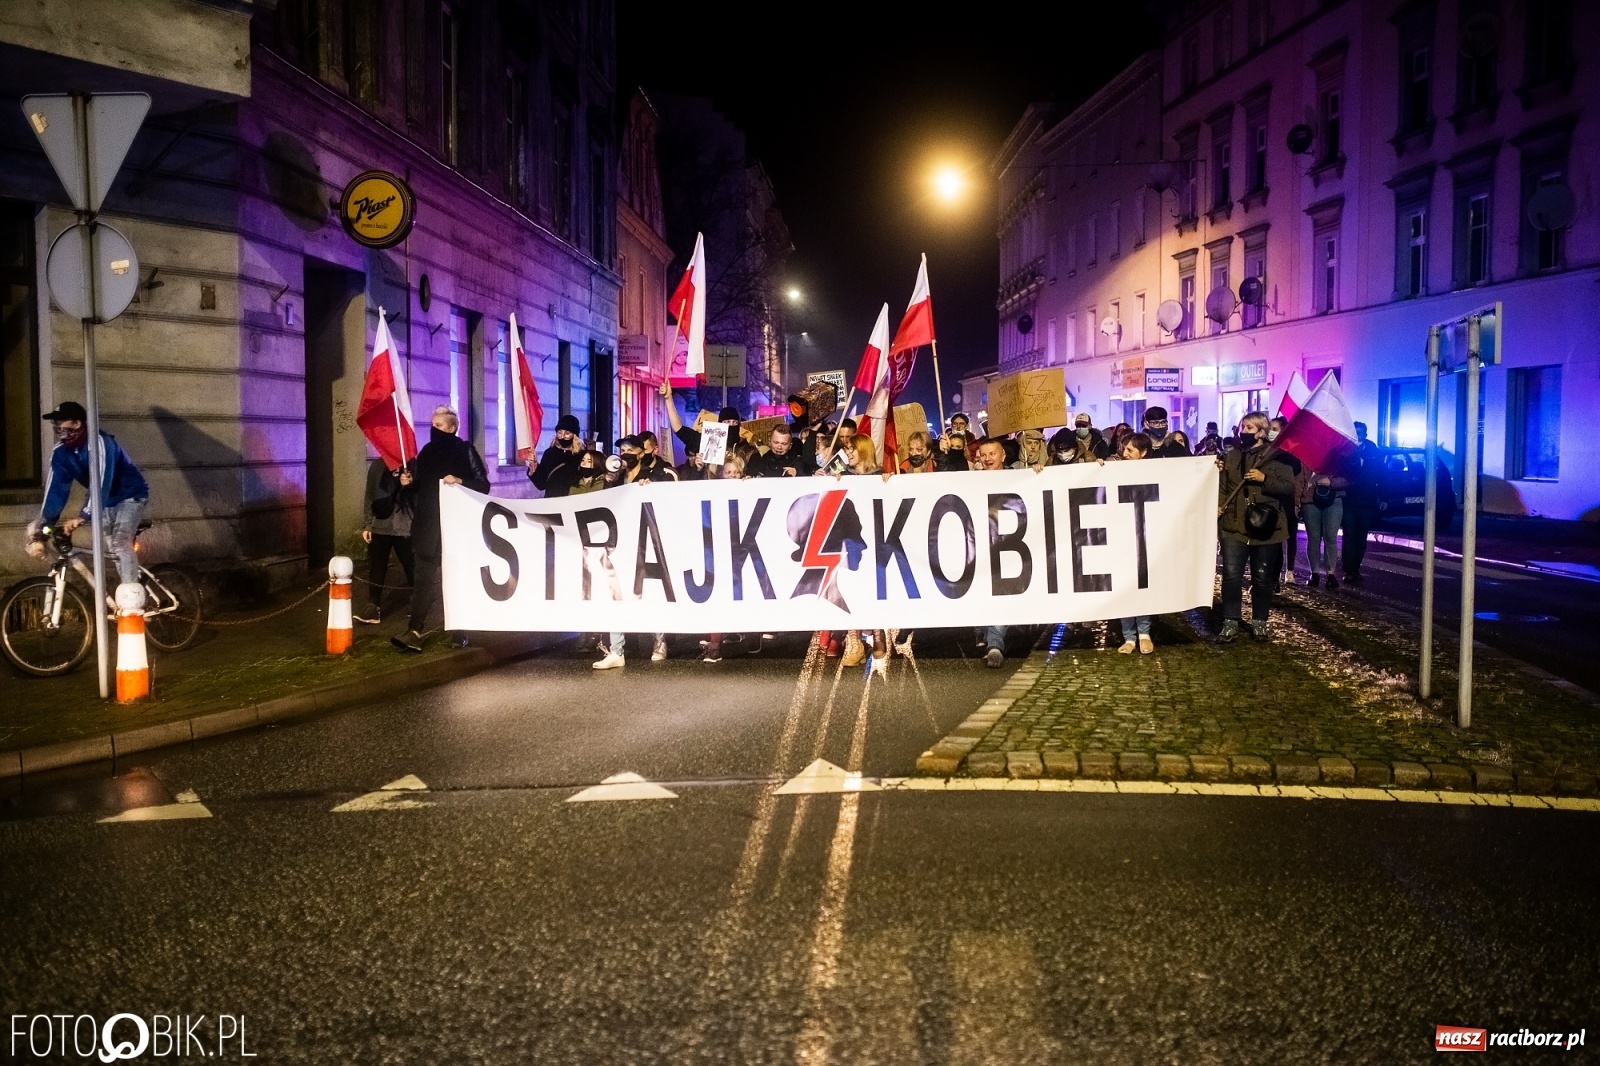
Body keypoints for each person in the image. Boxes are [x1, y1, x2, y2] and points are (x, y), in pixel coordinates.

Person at [392, 407, 490, 653]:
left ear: (451, 428)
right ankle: (414, 630)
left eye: (438, 425)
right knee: (422, 580)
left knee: (456, 577)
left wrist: (461, 481)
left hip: (457, 526)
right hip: (428, 525)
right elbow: (421, 487)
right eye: (432, 424)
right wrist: (407, 484)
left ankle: (460, 630)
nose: (433, 429)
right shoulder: (425, 453)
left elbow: (483, 486)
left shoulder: (465, 450)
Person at [29, 401, 151, 587]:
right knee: (112, 549)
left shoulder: (100, 442)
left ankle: (132, 603)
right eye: (54, 423)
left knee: (119, 543)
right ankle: (133, 585)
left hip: (129, 495)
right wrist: (44, 526)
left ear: (77, 423)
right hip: (103, 500)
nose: (56, 427)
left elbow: (102, 482)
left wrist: (83, 516)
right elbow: (56, 490)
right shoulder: (61, 452)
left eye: (60, 422)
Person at [1216, 411, 1297, 642]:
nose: (1244, 432)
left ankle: (1259, 622)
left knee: (1262, 579)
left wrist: (1264, 479)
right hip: (1234, 527)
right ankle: (1230, 621)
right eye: (1243, 427)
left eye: (1250, 428)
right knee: (1231, 576)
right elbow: (1223, 486)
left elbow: (1288, 488)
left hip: (1267, 528)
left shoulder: (1277, 457)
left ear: (1262, 432)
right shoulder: (1231, 457)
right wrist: (1219, 506)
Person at [356, 458, 415, 624]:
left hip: (405, 526)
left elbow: (420, 497)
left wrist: (409, 485)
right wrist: (368, 525)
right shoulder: (377, 466)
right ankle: (373, 606)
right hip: (381, 525)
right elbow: (370, 495)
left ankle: (417, 602)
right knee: (377, 566)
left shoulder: (412, 466)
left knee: (410, 565)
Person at [972, 438, 1013, 667]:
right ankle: (983, 632)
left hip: (1006, 545)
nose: (987, 459)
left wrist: (1038, 472)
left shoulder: (1018, 476)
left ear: (1003, 456)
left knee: (1001, 591)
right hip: (979, 544)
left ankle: (995, 644)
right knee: (981, 592)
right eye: (983, 455)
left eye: (992, 454)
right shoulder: (972, 480)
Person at [1116, 433, 1156, 654]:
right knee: (1125, 585)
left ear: (1144, 453)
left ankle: (1144, 633)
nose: (1125, 454)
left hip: (1145, 534)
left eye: (1130, 450)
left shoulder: (1153, 472)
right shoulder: (1116, 470)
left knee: (1142, 583)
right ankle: (1129, 637)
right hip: (1122, 535)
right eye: (1124, 449)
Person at [1340, 421, 1382, 584]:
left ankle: (1356, 568)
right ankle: (1348, 570)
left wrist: (1383, 496)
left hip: (1367, 500)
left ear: (1366, 434)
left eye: (1361, 432)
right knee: (1349, 535)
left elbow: (1381, 474)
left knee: (1361, 537)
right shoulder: (1345, 450)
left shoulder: (1373, 451)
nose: (1358, 435)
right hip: (1350, 499)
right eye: (1355, 432)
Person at [1268, 416, 1304, 581]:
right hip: (1270, 501)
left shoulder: (1291, 452)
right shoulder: (1266, 450)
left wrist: (1297, 502)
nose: (1271, 432)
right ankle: (1273, 576)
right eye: (1270, 429)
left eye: (1274, 429)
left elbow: (1296, 471)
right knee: (1273, 542)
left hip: (1287, 501)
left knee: (1290, 536)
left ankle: (1289, 570)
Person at [1299, 467, 1346, 589]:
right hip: (1310, 500)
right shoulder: (1306, 455)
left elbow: (1349, 478)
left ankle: (1331, 574)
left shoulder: (1339, 455)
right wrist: (1297, 499)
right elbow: (1299, 478)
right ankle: (1314, 574)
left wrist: (1331, 482)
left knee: (1330, 537)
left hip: (1333, 498)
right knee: (1314, 538)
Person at [528, 414, 585, 497]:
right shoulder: (550, 453)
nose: (562, 437)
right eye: (559, 432)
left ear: (574, 435)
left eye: (567, 433)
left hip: (573, 501)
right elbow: (541, 484)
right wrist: (534, 467)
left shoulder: (582, 455)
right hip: (552, 501)